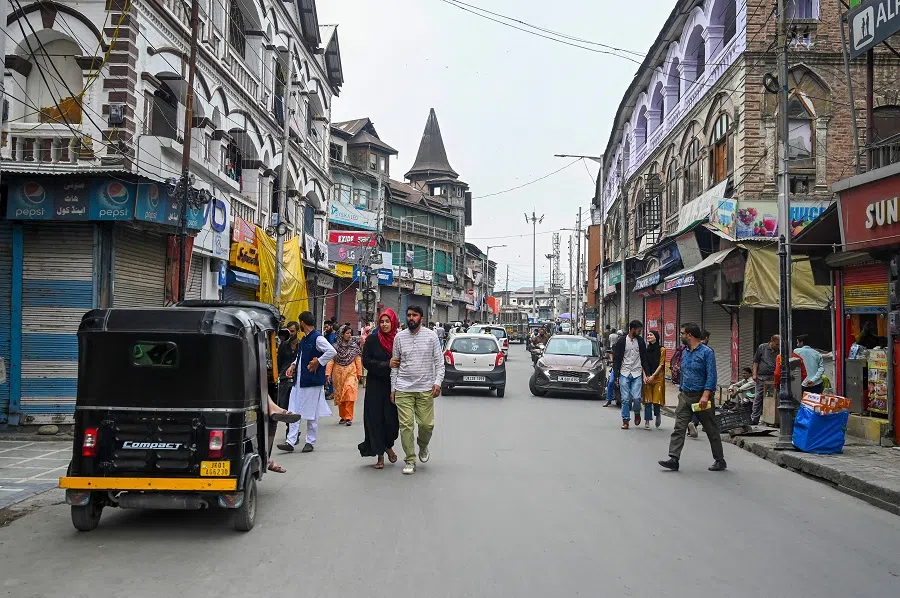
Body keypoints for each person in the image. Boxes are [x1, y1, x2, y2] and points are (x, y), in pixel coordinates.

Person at [658, 323, 727, 472]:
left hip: (702, 396)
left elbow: (712, 376)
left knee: (711, 429)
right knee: (679, 427)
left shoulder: (707, 352)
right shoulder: (685, 352)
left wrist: (706, 395)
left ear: (690, 335)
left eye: (682, 333)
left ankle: (720, 460)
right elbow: (684, 372)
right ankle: (674, 458)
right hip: (685, 396)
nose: (680, 336)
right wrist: (681, 390)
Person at [390, 305, 445, 475]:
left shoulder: (431, 336)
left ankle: (423, 446)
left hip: (425, 389)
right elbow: (395, 366)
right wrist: (393, 388)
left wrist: (437, 382)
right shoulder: (399, 338)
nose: (411, 318)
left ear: (421, 317)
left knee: (426, 425)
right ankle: (410, 460)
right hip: (403, 388)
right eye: (408, 315)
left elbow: (439, 362)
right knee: (406, 425)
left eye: (414, 315)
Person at [278, 311, 337, 454]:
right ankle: (290, 441)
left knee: (311, 413)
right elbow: (300, 357)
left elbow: (332, 351)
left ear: (302, 323)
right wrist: (293, 365)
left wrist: (319, 361)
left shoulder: (317, 338)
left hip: (312, 382)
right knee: (293, 409)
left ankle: (310, 441)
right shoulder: (304, 339)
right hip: (299, 381)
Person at [359, 309, 401, 469]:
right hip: (375, 385)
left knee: (391, 422)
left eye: (387, 321)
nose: (384, 324)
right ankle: (380, 455)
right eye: (382, 321)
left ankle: (387, 445)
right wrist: (386, 364)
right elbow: (366, 361)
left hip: (393, 386)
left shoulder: (398, 339)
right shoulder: (372, 339)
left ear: (393, 322)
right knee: (376, 420)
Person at [612, 320, 649, 430]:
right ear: (633, 329)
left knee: (637, 398)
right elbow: (617, 359)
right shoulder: (622, 341)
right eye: (639, 330)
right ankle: (626, 420)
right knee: (625, 399)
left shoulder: (641, 342)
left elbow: (644, 358)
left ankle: (637, 413)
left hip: (637, 373)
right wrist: (616, 375)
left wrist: (647, 374)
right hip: (624, 372)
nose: (640, 332)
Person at [327, 325, 363, 426]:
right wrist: (328, 373)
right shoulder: (335, 347)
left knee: (349, 393)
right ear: (341, 334)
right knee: (340, 396)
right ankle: (343, 416)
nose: (349, 335)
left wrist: (359, 373)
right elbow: (331, 361)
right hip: (338, 374)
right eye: (347, 333)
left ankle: (348, 417)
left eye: (350, 333)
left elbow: (358, 359)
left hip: (351, 372)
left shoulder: (354, 346)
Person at [752, 335, 779, 426]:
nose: (777, 346)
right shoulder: (762, 347)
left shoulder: (778, 350)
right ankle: (754, 418)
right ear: (772, 341)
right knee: (758, 397)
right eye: (776, 344)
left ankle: (771, 419)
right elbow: (756, 361)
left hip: (773, 377)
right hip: (761, 377)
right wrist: (754, 374)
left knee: (773, 397)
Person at [642, 330, 666, 429]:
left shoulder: (662, 350)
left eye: (651, 335)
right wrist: (645, 376)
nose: (648, 336)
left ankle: (658, 414)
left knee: (656, 400)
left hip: (658, 377)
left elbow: (661, 364)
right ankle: (647, 421)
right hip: (647, 376)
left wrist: (653, 376)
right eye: (648, 335)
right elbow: (643, 363)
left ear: (656, 337)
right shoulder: (645, 350)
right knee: (648, 400)